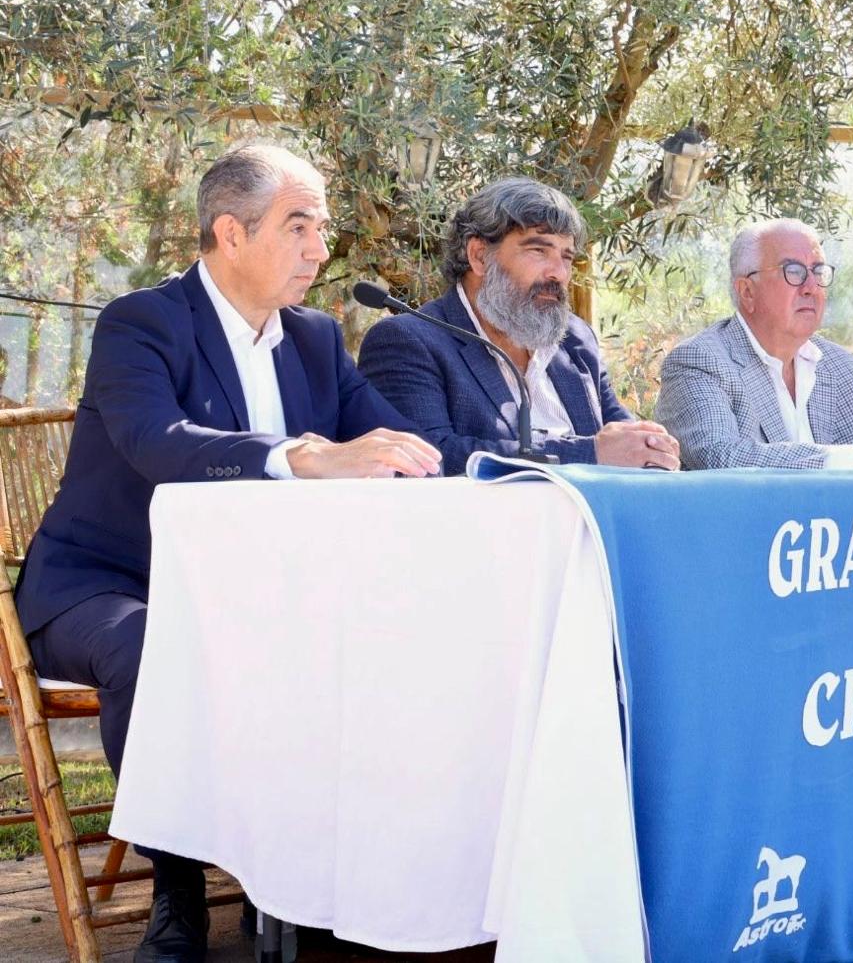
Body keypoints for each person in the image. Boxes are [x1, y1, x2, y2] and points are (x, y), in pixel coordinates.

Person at [16, 145, 441, 963]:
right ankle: (175, 891)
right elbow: (157, 440)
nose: (320, 248)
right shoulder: (141, 323)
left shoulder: (315, 339)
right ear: (230, 233)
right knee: (156, 646)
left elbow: (404, 442)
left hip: (260, 594)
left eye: (323, 228)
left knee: (366, 637)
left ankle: (287, 881)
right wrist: (299, 455)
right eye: (299, 226)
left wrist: (551, 459)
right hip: (107, 584)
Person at [358, 177, 679, 474]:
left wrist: (650, 448)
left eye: (567, 257)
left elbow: (622, 442)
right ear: (479, 256)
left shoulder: (575, 340)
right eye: (539, 250)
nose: (558, 273)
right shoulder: (407, 341)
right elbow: (428, 462)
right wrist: (588, 453)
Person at [657, 218, 853, 470]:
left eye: (818, 272)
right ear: (747, 291)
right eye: (794, 271)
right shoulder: (699, 362)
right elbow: (723, 458)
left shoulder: (839, 366)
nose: (811, 287)